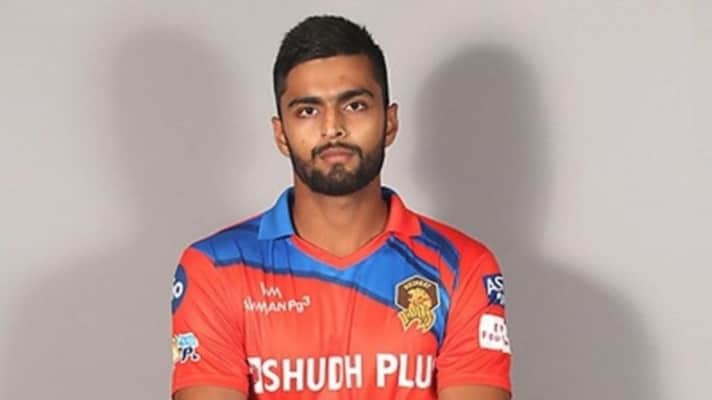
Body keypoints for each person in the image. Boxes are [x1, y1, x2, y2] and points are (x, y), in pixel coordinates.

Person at [171, 15, 511, 400]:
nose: (332, 127)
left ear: (389, 122)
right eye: (308, 110)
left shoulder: (463, 267)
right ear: (281, 134)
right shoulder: (215, 268)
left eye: (355, 105)